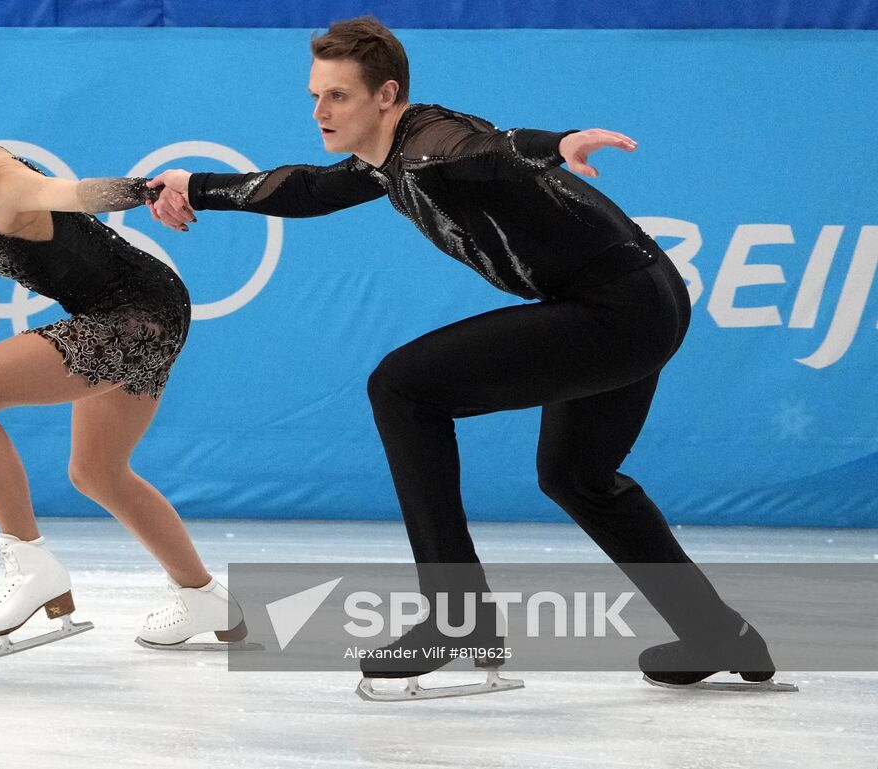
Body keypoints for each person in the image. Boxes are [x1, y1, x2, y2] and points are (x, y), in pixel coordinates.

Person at [147, 17, 793, 697]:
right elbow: (311, 188)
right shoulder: (386, 157)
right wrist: (199, 188)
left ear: (386, 94)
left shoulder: (429, 144)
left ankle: (457, 616)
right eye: (314, 95)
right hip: (643, 299)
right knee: (577, 476)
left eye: (337, 96)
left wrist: (559, 143)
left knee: (403, 388)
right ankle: (716, 630)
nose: (319, 111)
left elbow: (491, 149)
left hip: (618, 310)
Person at [0, 61, 247, 660]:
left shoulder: (0, 183)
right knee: (97, 472)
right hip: (138, 305)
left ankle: (28, 562)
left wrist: (147, 192)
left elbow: (72, 193)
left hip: (137, 312)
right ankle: (204, 596)